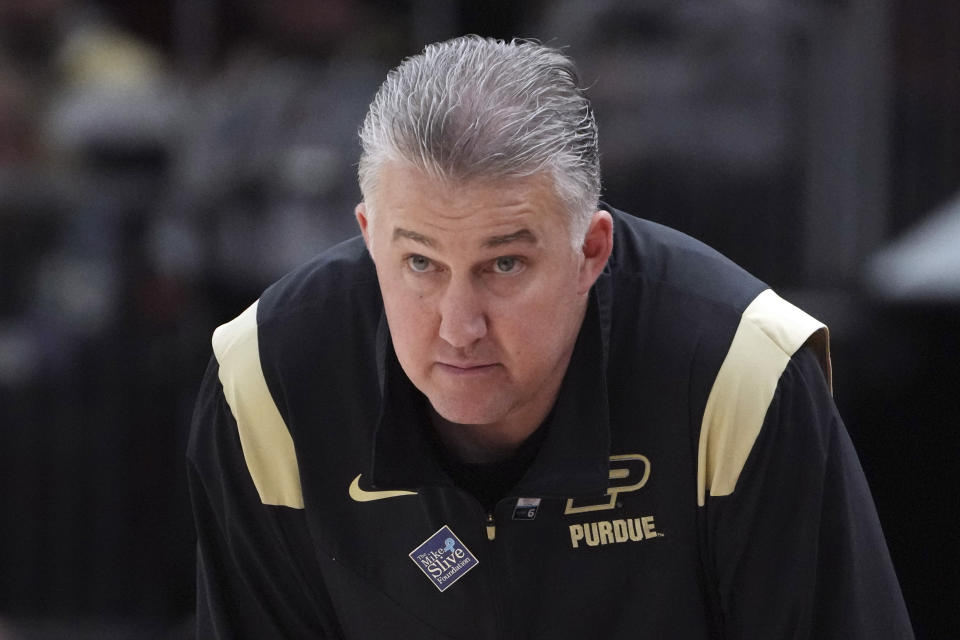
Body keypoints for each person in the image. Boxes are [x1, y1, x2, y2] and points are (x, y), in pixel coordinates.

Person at [187, 36, 914, 638]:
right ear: (369, 238)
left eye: (505, 263)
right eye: (420, 264)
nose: (458, 324)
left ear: (590, 251)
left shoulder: (739, 372)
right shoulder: (267, 382)